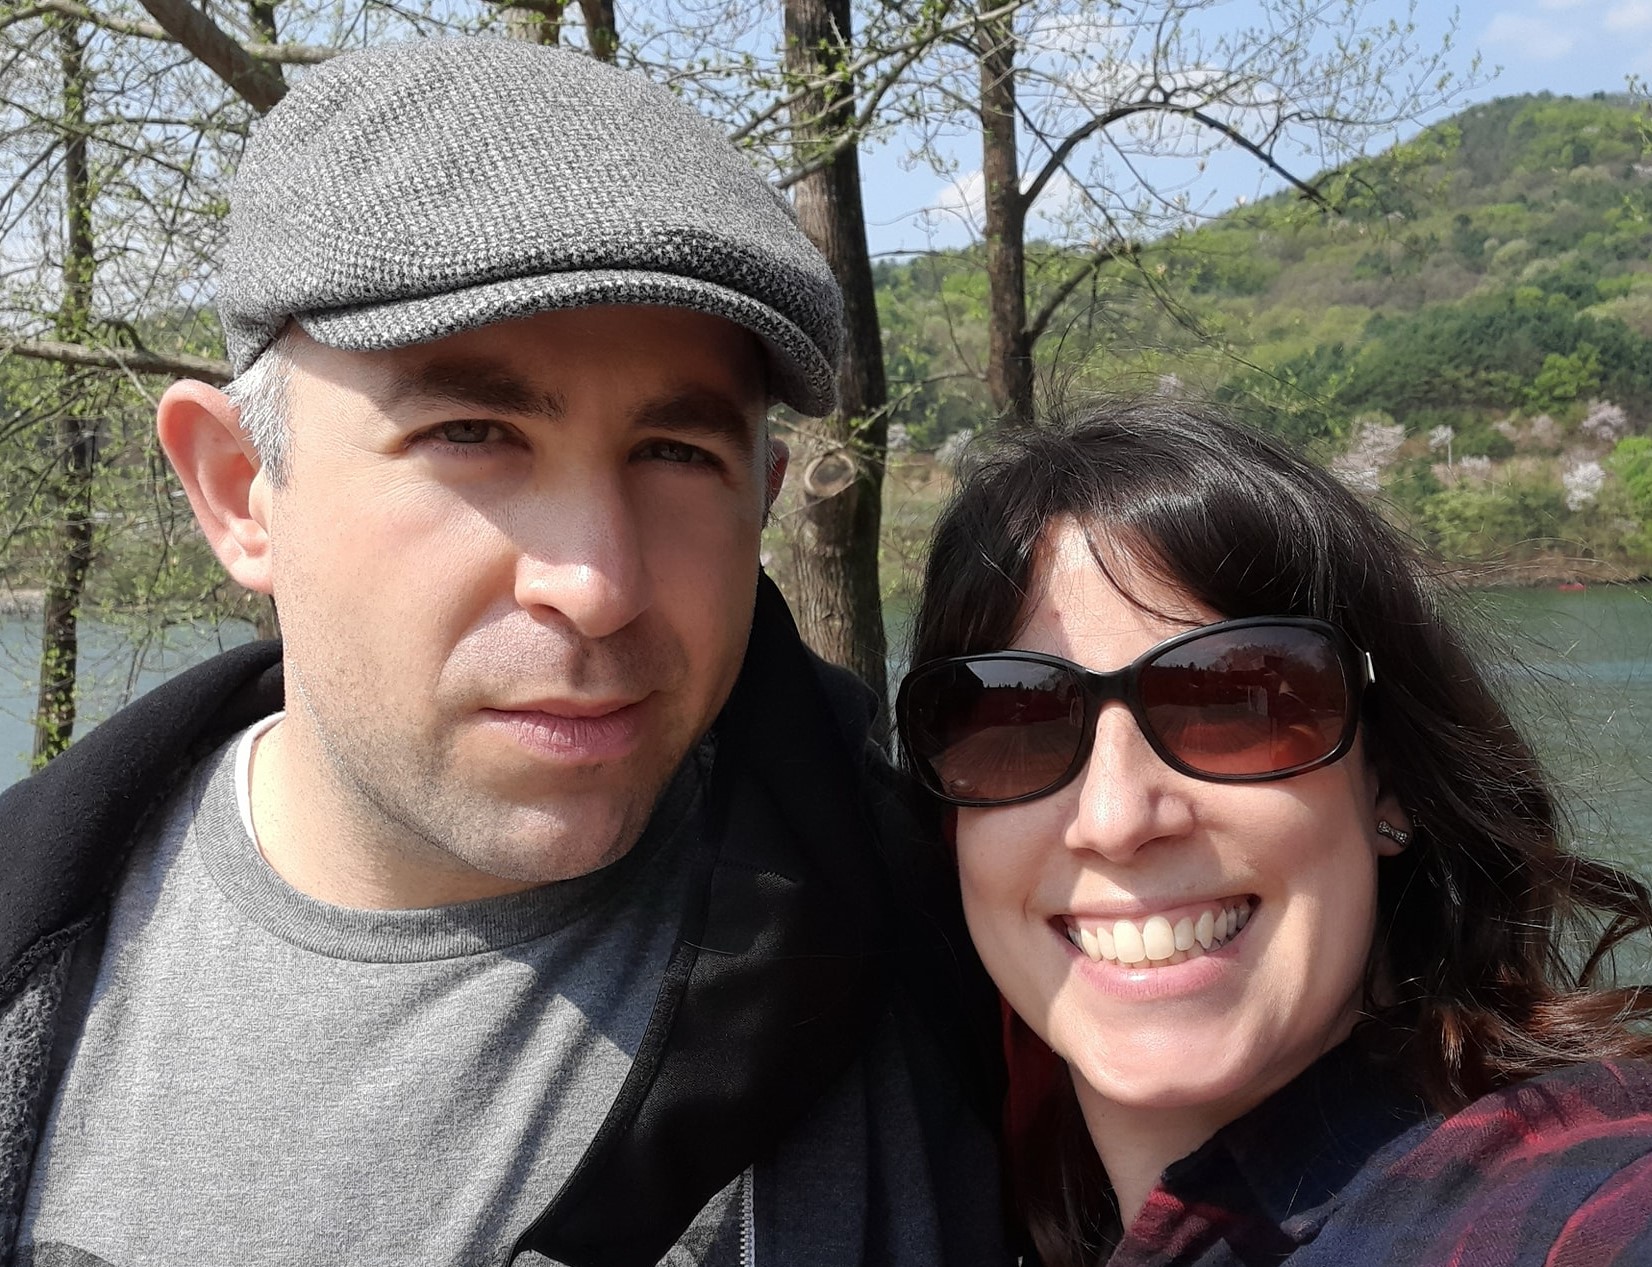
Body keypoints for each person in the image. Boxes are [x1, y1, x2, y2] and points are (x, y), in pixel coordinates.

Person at [0, 38, 1008, 1267]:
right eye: (471, 433)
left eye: (677, 454)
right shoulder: (26, 954)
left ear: (762, 494)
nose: (595, 585)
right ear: (239, 490)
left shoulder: (983, 968)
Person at [895, 398, 1652, 1266]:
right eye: (1016, 723)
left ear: (1388, 781)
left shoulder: (1565, 1199)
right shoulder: (969, 1211)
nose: (1115, 819)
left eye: (1233, 705)